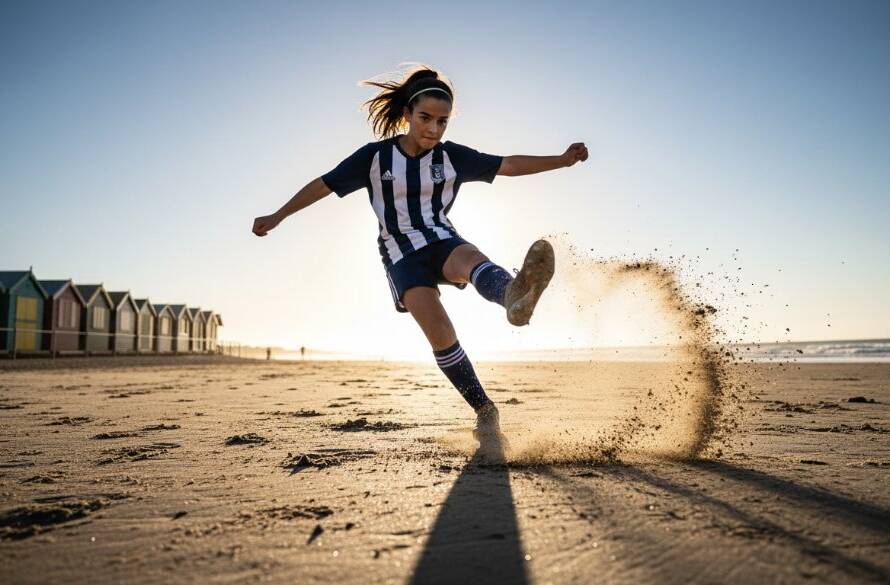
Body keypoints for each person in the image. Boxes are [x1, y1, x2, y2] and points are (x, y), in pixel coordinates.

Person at [252, 65, 587, 445]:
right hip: (400, 255)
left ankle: (513, 294)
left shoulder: (452, 158)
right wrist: (278, 215)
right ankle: (485, 410)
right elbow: (324, 185)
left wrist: (561, 160)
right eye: (426, 118)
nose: (433, 129)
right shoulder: (375, 158)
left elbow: (508, 164)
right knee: (441, 332)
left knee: (469, 260)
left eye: (443, 122)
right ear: (408, 114)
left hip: (442, 239)